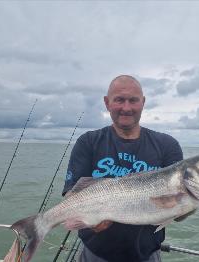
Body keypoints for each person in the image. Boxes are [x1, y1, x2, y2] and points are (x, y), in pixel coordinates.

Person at [62, 75, 183, 262]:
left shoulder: (167, 146)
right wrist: (87, 221)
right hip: (95, 254)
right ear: (107, 102)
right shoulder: (88, 142)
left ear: (143, 102)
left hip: (147, 255)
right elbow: (72, 195)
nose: (126, 108)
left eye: (133, 100)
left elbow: (178, 212)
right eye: (119, 100)